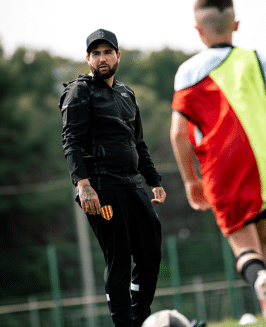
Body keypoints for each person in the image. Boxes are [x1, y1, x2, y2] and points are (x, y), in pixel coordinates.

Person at [170, 0, 266, 326]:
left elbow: (178, 133)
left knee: (244, 246)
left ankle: (260, 281)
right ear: (235, 24)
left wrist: (191, 180)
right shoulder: (257, 59)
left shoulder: (187, 72)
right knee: (265, 241)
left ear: (198, 30)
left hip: (222, 170)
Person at [59, 29, 166, 327]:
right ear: (88, 59)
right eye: (96, 53)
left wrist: (154, 180)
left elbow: (138, 143)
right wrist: (83, 186)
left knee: (150, 256)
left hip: (133, 185)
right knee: (118, 261)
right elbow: (71, 142)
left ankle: (139, 318)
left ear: (118, 56)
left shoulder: (126, 93)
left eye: (107, 52)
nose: (102, 58)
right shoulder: (79, 91)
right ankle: (124, 323)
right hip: (102, 188)